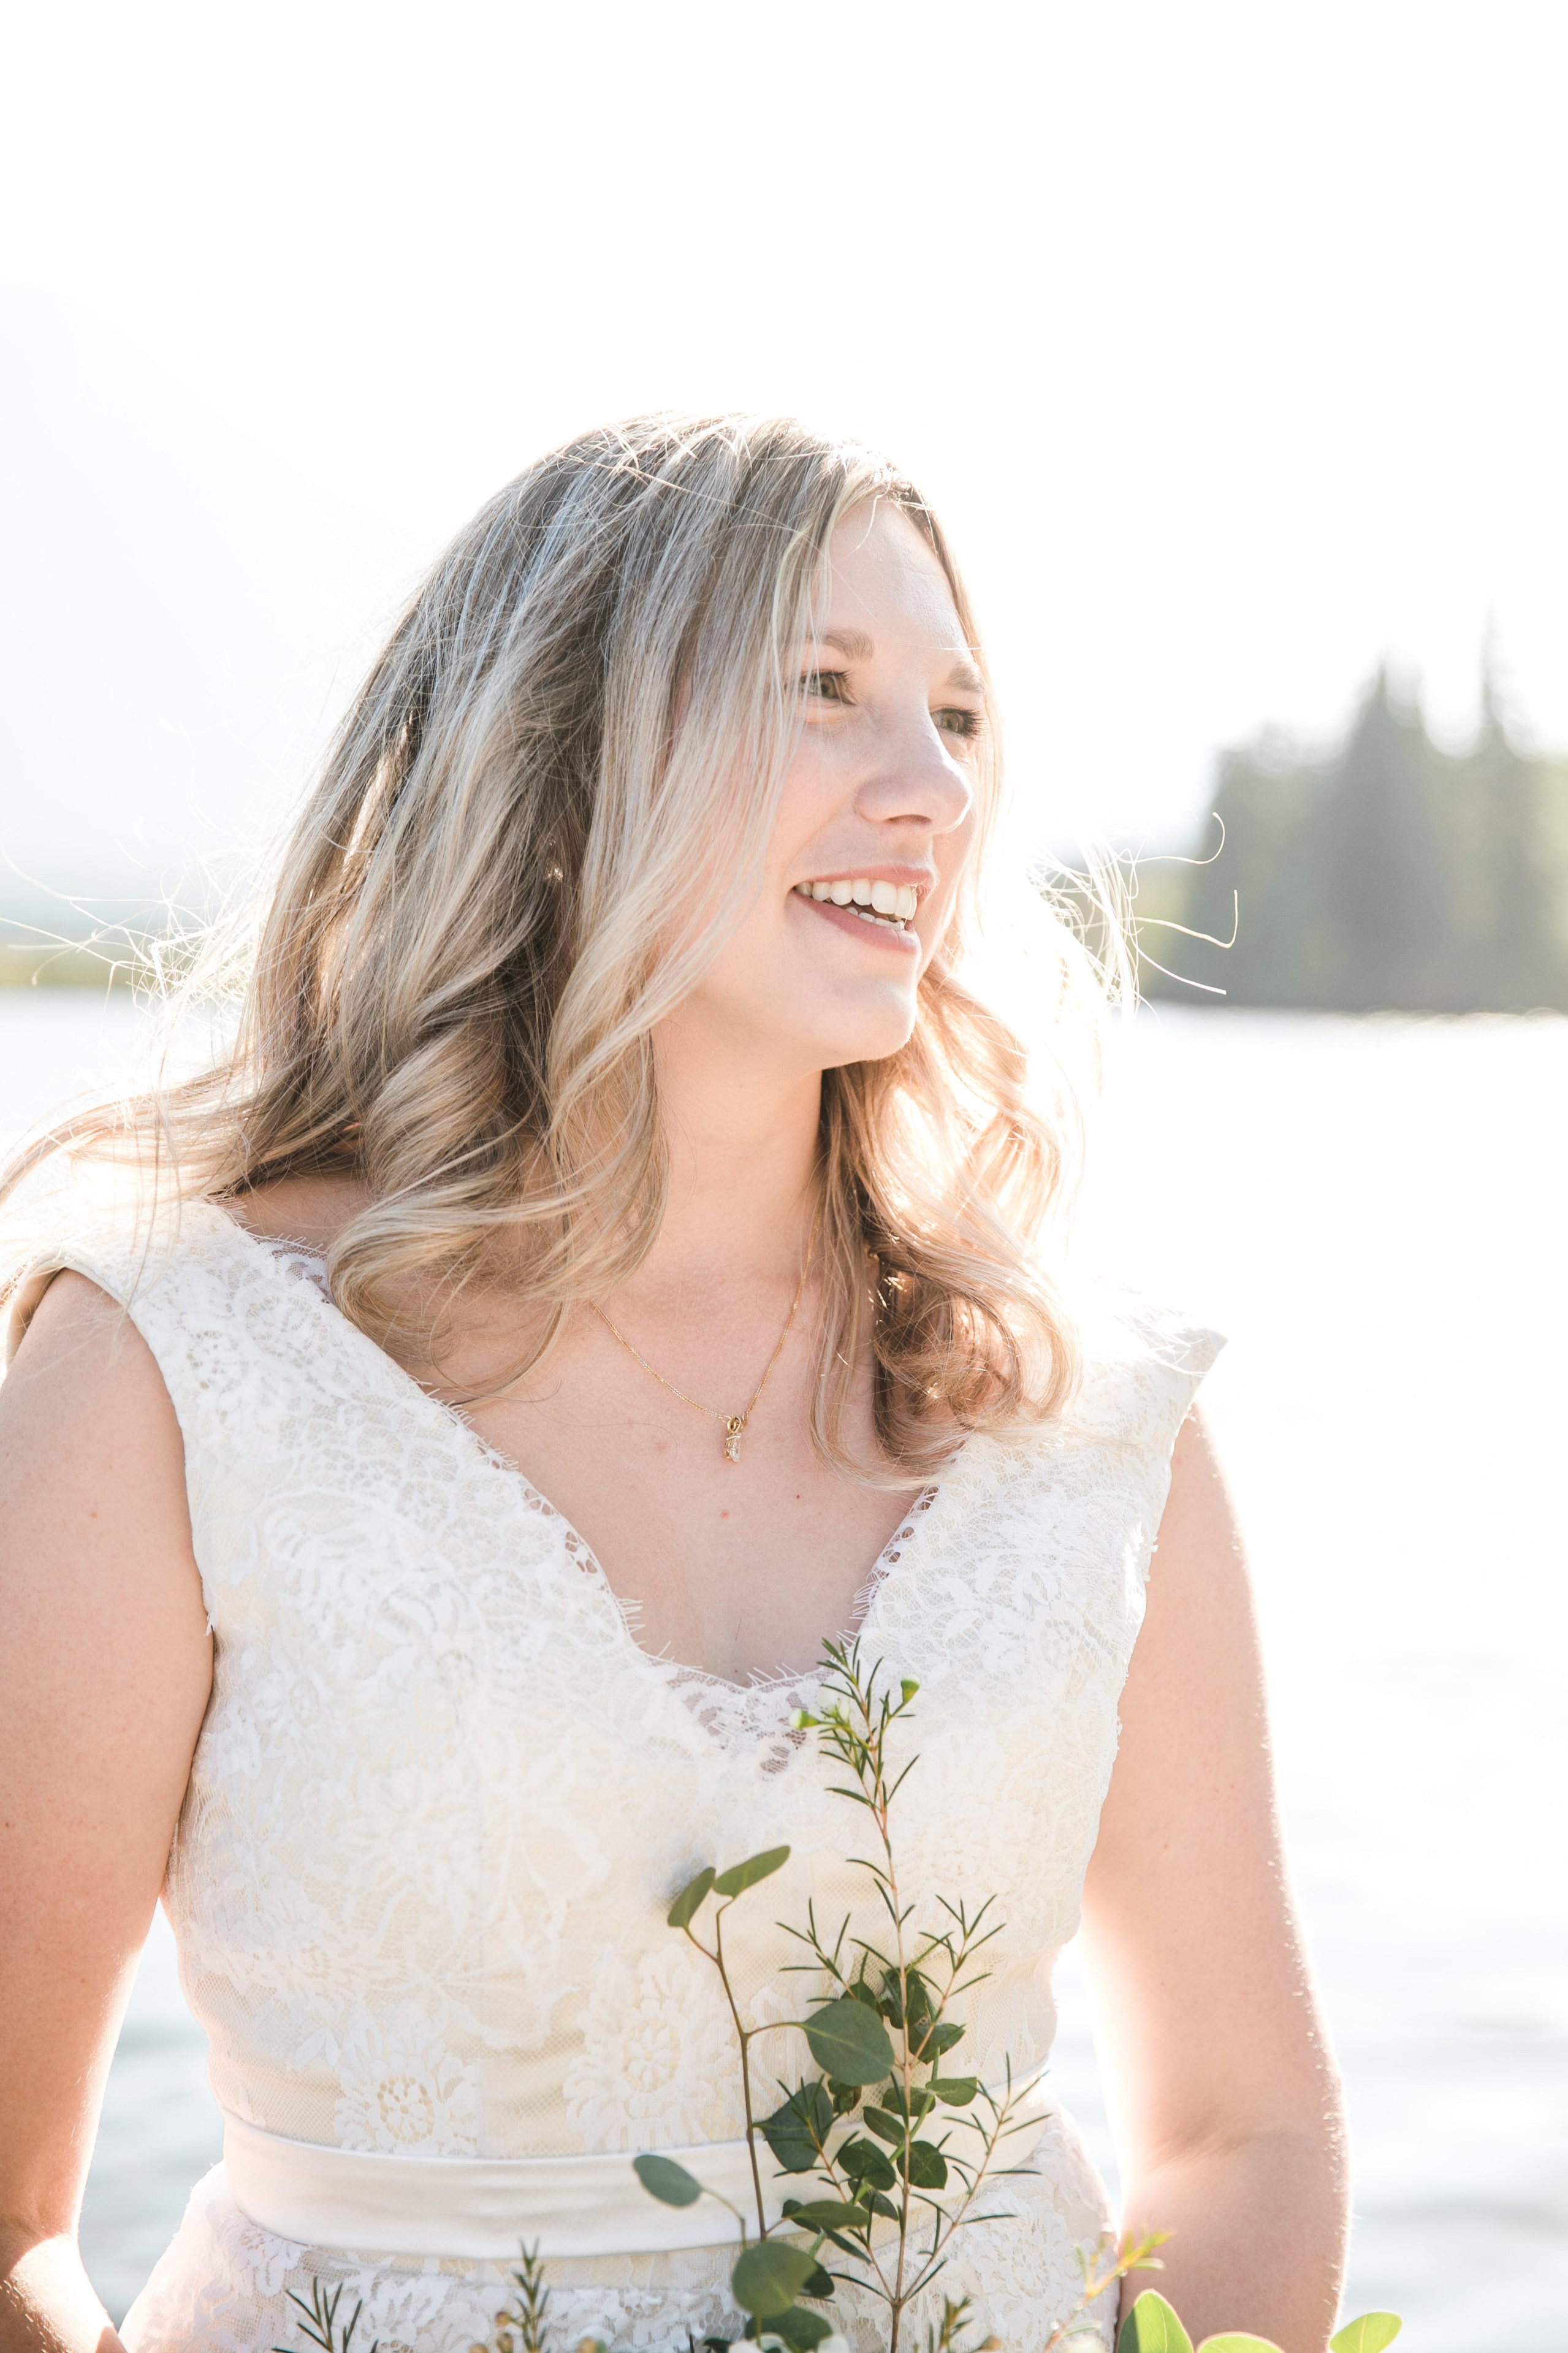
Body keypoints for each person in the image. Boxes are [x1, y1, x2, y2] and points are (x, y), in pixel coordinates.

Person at [0, 416, 1346, 2353]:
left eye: (959, 719)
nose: (932, 792)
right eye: (828, 692)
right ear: (564, 746)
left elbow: (1248, 2133)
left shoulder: (1081, 1417)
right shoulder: (172, 1371)